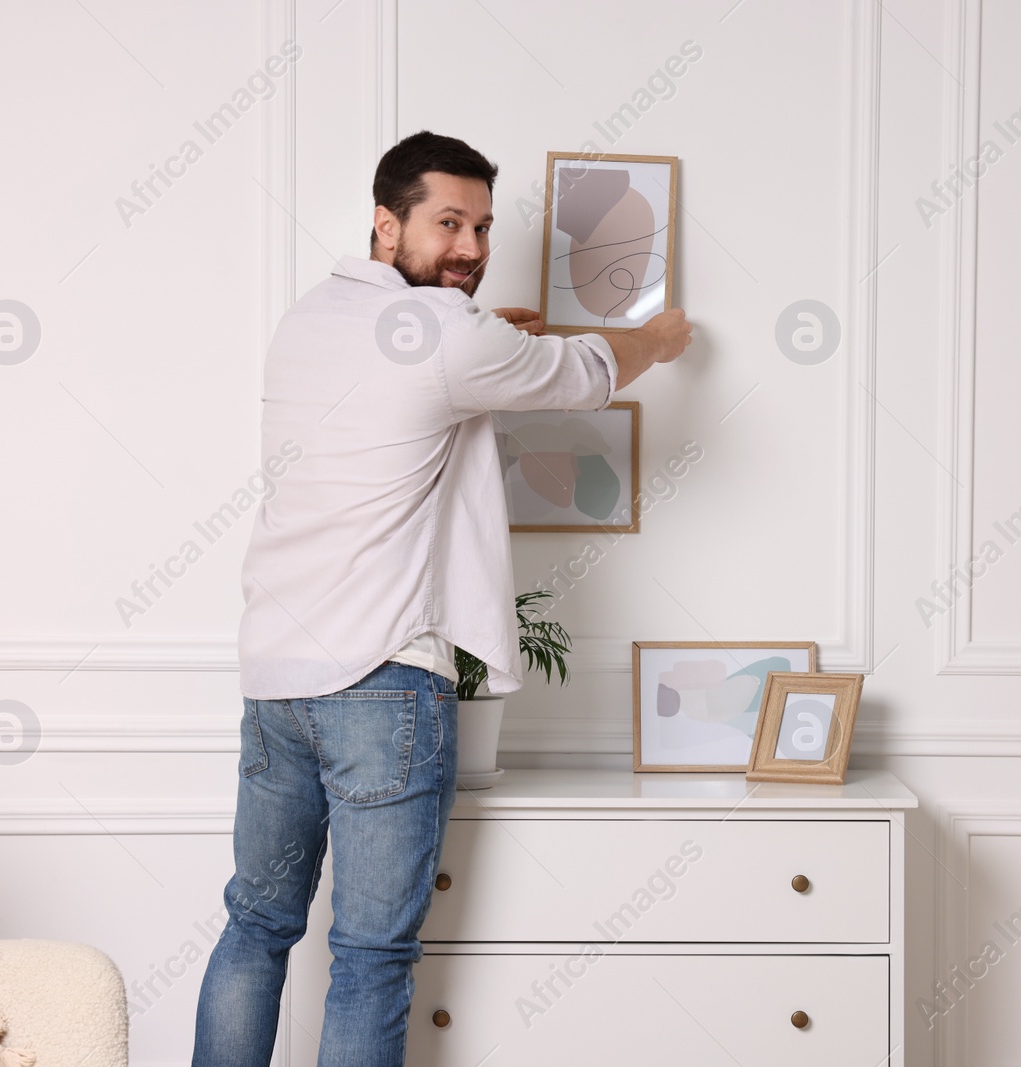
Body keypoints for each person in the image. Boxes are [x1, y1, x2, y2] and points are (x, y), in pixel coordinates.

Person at [191, 130, 692, 1066]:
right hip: (382, 687)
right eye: (447, 223)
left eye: (483, 226)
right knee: (372, 958)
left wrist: (485, 331)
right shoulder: (454, 338)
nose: (469, 245)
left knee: (257, 927)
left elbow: (421, 361)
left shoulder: (308, 318)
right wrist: (655, 341)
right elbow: (585, 371)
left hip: (275, 681)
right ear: (387, 225)